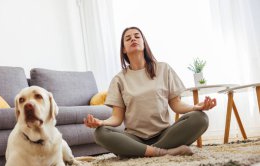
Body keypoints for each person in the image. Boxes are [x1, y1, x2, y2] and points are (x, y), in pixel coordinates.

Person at [84, 26, 217, 158]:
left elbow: (176, 104)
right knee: (100, 133)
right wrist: (102, 123)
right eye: (128, 38)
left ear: (144, 43)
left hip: (165, 134)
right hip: (135, 138)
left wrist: (195, 107)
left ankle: (138, 152)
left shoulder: (164, 69)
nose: (133, 39)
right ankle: (164, 152)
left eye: (137, 36)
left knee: (200, 118)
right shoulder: (119, 79)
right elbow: (117, 118)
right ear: (124, 49)